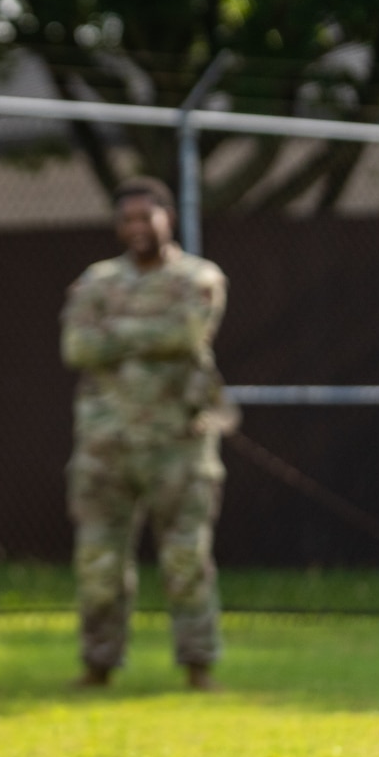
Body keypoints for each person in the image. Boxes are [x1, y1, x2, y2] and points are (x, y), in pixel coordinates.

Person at [61, 176, 232, 691]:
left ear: (168, 217)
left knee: (185, 559)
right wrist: (150, 335)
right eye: (126, 219)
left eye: (146, 216)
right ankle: (98, 666)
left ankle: (198, 667)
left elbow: (187, 334)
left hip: (178, 444)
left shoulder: (198, 276)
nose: (136, 227)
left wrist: (116, 333)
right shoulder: (95, 281)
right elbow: (77, 349)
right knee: (99, 561)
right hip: (104, 447)